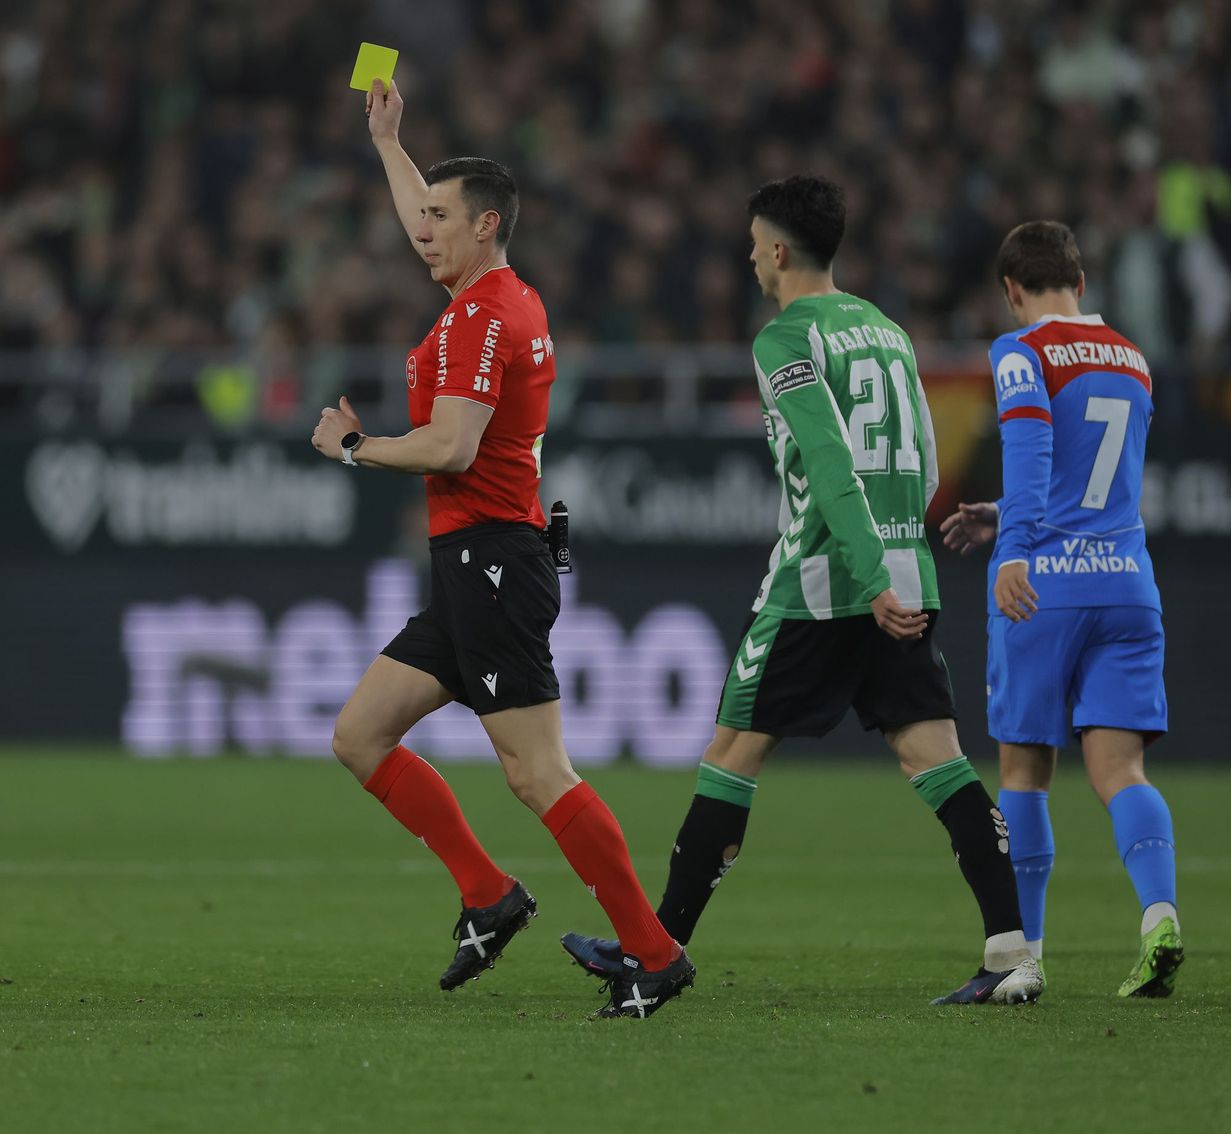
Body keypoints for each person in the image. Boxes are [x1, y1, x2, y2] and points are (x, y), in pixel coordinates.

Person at [560, 175, 1043, 1005]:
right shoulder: (888, 331)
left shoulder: (785, 338)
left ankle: (658, 949)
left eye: (754, 245)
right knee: (937, 759)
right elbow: (925, 459)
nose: (750, 260)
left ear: (779, 250)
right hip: (903, 571)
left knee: (731, 755)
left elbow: (828, 464)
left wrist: (861, 570)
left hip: (822, 581)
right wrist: (896, 561)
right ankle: (1013, 955)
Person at [307, 78, 693, 1020]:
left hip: (493, 558)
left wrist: (354, 448)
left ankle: (652, 952)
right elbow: (423, 211)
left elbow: (451, 446)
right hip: (472, 561)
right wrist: (390, 145)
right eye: (420, 213)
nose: (419, 229)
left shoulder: (486, 315)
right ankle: (488, 894)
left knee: (536, 772)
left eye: (438, 217)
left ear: (485, 226)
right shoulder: (491, 295)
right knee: (360, 735)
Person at [939, 220, 1183, 998]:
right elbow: (1093, 475)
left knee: (1025, 771)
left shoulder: (1022, 350)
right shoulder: (1132, 357)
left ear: (1012, 290)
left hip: (1046, 585)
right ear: (1081, 281)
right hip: (1127, 582)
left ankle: (1025, 958)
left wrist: (1013, 546)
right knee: (1120, 769)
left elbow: (1037, 446)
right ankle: (1159, 916)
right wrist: (1007, 512)